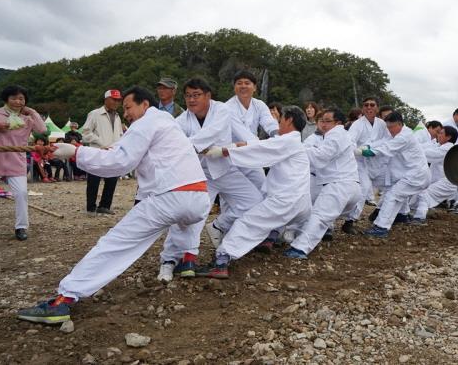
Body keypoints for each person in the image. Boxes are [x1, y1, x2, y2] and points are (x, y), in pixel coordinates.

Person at [17, 86, 210, 324]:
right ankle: (187, 259)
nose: (126, 113)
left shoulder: (145, 123)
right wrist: (70, 151)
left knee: (115, 244)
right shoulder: (168, 123)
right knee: (185, 220)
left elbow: (119, 162)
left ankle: (65, 299)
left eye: (128, 107)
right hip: (200, 197)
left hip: (170, 197)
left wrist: (76, 153)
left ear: (145, 105)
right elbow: (122, 151)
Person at [157, 77, 263, 282]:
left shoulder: (222, 110)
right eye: (188, 95)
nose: (191, 100)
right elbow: (172, 142)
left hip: (226, 170)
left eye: (196, 95)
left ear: (208, 96)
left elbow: (213, 133)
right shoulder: (181, 121)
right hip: (199, 174)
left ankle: (219, 227)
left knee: (255, 204)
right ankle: (171, 260)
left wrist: (190, 147)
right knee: (191, 215)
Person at [197, 106, 311, 279]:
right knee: (263, 217)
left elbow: (259, 150)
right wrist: (229, 147)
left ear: (289, 120)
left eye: (280, 119)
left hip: (286, 200)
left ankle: (221, 260)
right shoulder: (291, 142)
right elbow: (259, 145)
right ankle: (270, 237)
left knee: (248, 223)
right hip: (301, 203)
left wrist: (223, 151)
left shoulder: (288, 141)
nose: (278, 123)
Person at [284, 108, 361, 258]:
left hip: (339, 185)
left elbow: (321, 157)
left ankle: (300, 248)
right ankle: (320, 230)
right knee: (319, 210)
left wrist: (298, 149)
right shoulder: (339, 136)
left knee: (319, 215)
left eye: (327, 121)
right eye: (322, 121)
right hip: (350, 187)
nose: (323, 124)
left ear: (338, 123)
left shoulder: (336, 134)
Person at [361, 112, 431, 237]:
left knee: (392, 196)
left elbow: (388, 148)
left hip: (416, 175)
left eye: (391, 127)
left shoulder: (405, 136)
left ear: (399, 124)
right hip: (413, 174)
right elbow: (384, 142)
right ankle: (402, 216)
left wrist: (371, 152)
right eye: (388, 127)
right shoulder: (399, 133)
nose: (390, 130)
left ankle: (381, 228)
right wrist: (369, 146)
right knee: (397, 195)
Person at [0, 85, 48, 240]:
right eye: (13, 98)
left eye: (21, 98)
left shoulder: (27, 118)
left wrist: (32, 112)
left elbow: (43, 130)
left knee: (21, 193)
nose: (17, 101)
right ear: (6, 99)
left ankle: (21, 227)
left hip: (15, 159)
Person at [345, 97, 391, 232]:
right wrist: (359, 151)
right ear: (362, 108)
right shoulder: (357, 124)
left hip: (378, 163)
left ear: (377, 108)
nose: (369, 107)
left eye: (372, 105)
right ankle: (349, 221)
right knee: (363, 190)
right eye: (366, 105)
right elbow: (349, 141)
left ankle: (379, 210)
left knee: (393, 184)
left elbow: (388, 139)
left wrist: (375, 149)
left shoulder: (382, 124)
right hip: (361, 163)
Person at [81, 90, 123, 215]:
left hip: (112, 152)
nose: (116, 102)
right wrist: (100, 142)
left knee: (112, 179)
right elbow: (85, 133)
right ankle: (91, 208)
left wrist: (119, 146)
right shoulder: (94, 114)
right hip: (97, 152)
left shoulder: (118, 116)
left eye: (118, 100)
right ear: (106, 100)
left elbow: (120, 134)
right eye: (113, 99)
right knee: (94, 180)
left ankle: (104, 205)